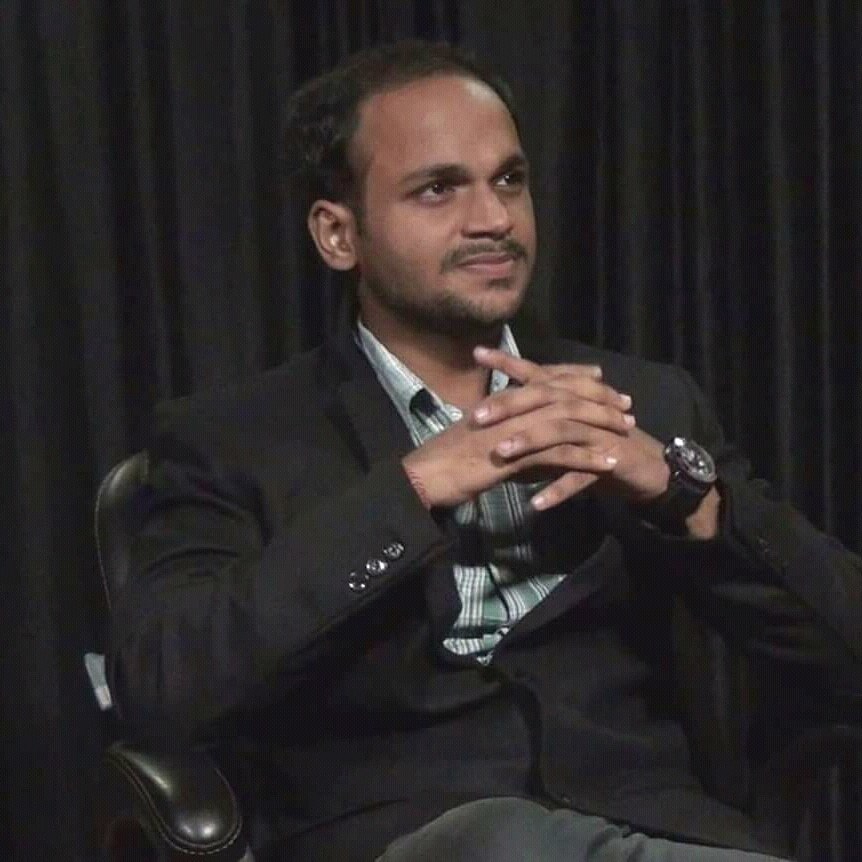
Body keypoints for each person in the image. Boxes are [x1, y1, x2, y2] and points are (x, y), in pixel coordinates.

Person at [108, 40, 862, 862]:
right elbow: (167, 688)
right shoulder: (232, 436)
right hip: (397, 835)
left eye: (509, 180)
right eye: (438, 189)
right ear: (338, 234)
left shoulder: (639, 403)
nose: (494, 219)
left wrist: (687, 497)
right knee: (504, 839)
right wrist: (412, 488)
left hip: (650, 827)